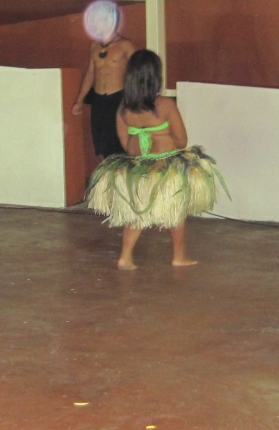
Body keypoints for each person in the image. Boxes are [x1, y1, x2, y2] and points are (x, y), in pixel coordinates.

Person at [86, 49, 225, 269]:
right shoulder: (165, 105)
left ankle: (125, 256)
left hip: (137, 167)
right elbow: (181, 140)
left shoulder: (123, 108)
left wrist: (140, 148)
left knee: (137, 211)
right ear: (155, 77)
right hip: (164, 166)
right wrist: (163, 142)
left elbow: (124, 140)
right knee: (175, 209)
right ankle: (179, 256)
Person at [72, 1, 136, 160]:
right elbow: (90, 73)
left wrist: (135, 99)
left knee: (120, 143)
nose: (95, 24)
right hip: (99, 100)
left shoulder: (125, 45)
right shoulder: (94, 45)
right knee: (102, 144)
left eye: (99, 20)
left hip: (118, 99)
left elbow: (137, 72)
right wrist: (79, 100)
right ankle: (108, 174)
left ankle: (124, 174)